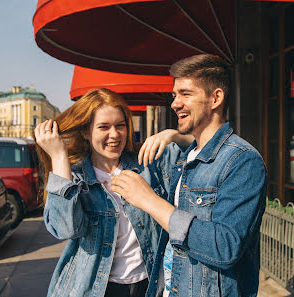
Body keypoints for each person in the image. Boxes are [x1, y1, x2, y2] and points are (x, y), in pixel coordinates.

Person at [110, 54, 268, 297]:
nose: (175, 103)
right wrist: (174, 135)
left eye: (186, 94)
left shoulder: (243, 160)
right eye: (174, 95)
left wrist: (150, 201)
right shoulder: (186, 156)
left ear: (215, 98)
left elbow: (225, 247)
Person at [34, 88, 187, 297]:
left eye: (120, 125)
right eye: (103, 127)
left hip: (148, 285)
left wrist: (174, 135)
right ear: (86, 132)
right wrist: (59, 157)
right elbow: (65, 229)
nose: (114, 135)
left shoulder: (147, 164)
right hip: (94, 288)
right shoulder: (76, 177)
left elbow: (198, 152)